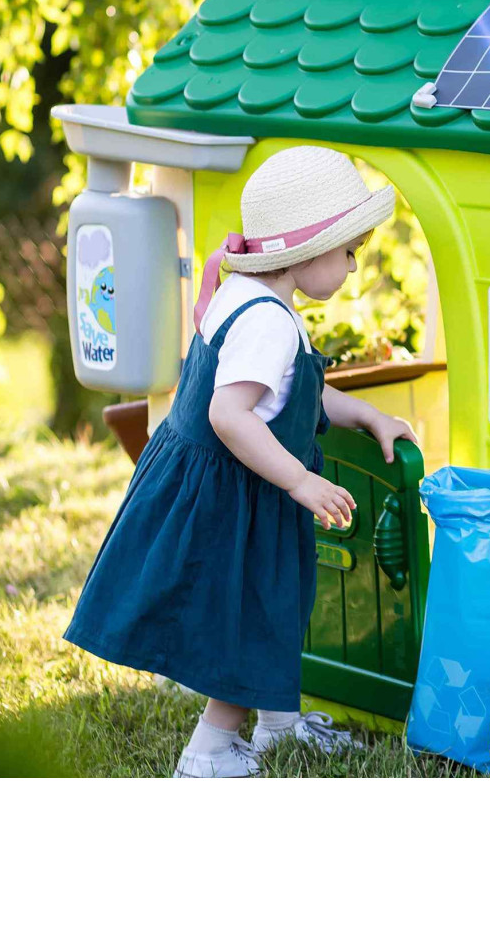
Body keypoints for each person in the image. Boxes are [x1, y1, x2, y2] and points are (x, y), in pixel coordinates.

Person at [64, 146, 418, 777]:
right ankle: (209, 753)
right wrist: (301, 480)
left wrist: (368, 415)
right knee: (248, 621)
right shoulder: (267, 323)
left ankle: (279, 726)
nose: (353, 265)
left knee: (271, 611)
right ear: (306, 250)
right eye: (348, 251)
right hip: (237, 497)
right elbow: (230, 415)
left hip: (231, 486)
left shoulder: (252, 297)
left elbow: (294, 388)